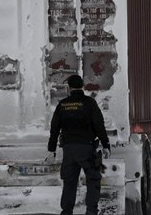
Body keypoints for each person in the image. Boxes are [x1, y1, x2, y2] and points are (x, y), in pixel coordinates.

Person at [47, 74, 111, 215]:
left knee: (69, 182)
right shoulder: (89, 103)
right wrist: (106, 144)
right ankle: (91, 211)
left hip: (69, 150)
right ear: (82, 86)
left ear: (69, 88)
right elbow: (99, 125)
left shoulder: (62, 105)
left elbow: (55, 129)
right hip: (88, 149)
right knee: (93, 179)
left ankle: (67, 211)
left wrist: (51, 150)